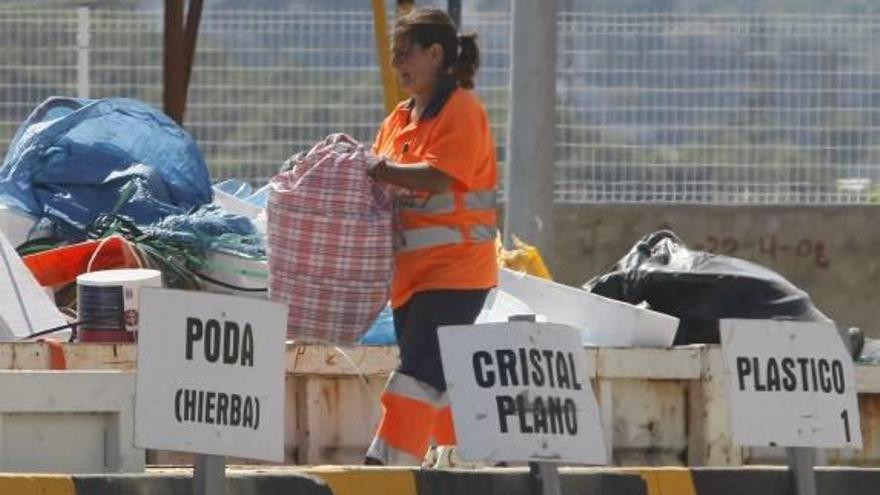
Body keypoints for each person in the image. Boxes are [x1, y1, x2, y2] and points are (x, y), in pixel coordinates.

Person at [364, 7, 498, 466]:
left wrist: (381, 170)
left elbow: (440, 176)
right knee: (438, 375)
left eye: (405, 53)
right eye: (393, 54)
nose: (397, 64)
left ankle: (386, 463)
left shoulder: (462, 110)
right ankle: (459, 459)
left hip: (457, 273)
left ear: (435, 53)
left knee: (417, 370)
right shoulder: (399, 120)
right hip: (411, 279)